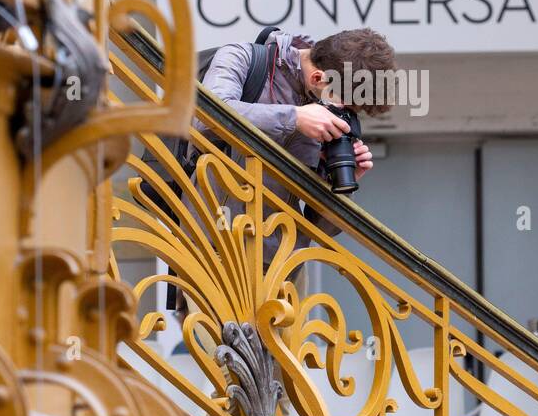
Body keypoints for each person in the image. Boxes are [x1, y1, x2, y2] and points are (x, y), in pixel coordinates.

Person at [165, 28, 397, 320]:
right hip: (214, 252)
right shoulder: (242, 57)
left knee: (287, 368)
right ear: (317, 79)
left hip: (283, 272)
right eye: (345, 106)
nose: (345, 115)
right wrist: (294, 118)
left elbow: (320, 229)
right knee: (230, 363)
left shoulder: (330, 109)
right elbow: (207, 117)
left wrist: (343, 184)